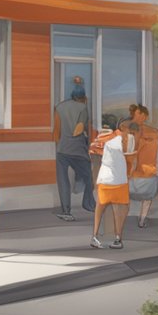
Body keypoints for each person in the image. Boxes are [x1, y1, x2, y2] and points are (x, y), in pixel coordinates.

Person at [91, 118, 136, 249]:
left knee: (100, 207)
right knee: (119, 209)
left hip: (105, 178)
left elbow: (96, 151)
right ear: (123, 128)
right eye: (129, 128)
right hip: (119, 179)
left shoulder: (107, 138)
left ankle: (95, 236)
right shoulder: (122, 141)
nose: (131, 131)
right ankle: (117, 238)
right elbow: (130, 157)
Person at [53, 84, 94, 221]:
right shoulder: (83, 108)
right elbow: (79, 128)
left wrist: (60, 145)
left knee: (63, 180)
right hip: (78, 150)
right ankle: (88, 203)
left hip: (62, 150)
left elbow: (56, 132)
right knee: (88, 175)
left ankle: (66, 212)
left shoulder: (59, 107)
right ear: (83, 98)